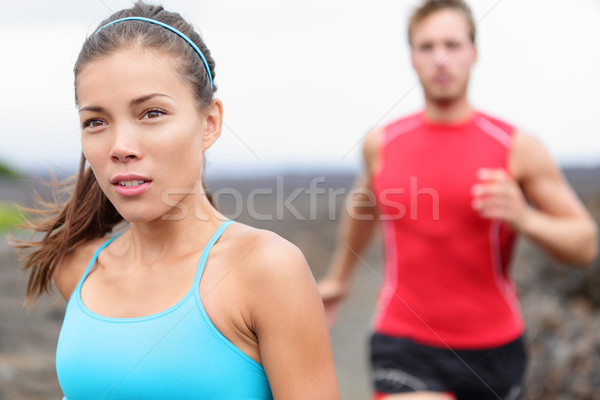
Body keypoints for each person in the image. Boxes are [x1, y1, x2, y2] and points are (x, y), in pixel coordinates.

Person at [14, 2, 339, 399]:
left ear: (209, 123)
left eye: (151, 113)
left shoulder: (266, 270)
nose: (120, 147)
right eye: (95, 121)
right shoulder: (79, 269)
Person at [318, 0, 598, 399]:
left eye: (453, 44)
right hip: (404, 342)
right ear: (411, 56)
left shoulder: (516, 147)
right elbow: (364, 208)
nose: (440, 59)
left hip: (494, 349)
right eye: (426, 46)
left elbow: (584, 244)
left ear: (474, 53)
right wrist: (339, 279)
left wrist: (523, 217)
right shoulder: (383, 143)